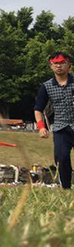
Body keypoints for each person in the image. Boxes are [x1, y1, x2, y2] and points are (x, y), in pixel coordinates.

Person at [34, 51, 74, 189]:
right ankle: (66, 187)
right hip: (61, 128)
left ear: (69, 65)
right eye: (55, 63)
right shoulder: (46, 86)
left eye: (62, 63)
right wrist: (41, 127)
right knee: (61, 158)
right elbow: (38, 109)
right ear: (51, 66)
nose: (59, 66)